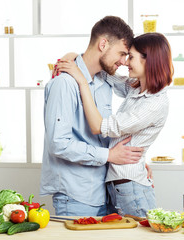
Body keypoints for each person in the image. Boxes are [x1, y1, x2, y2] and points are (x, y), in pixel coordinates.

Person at [55, 32, 173, 217]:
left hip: (131, 188)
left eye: (131, 57)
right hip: (120, 186)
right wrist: (72, 56)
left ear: (148, 61)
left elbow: (99, 127)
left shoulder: (154, 103)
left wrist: (81, 82)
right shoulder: (137, 88)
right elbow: (105, 72)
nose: (125, 62)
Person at [40, 16, 145, 217]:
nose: (124, 62)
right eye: (122, 53)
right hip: (75, 196)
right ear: (103, 44)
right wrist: (109, 155)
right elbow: (58, 143)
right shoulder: (65, 84)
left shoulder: (105, 82)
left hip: (103, 193)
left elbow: (103, 133)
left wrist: (136, 163)